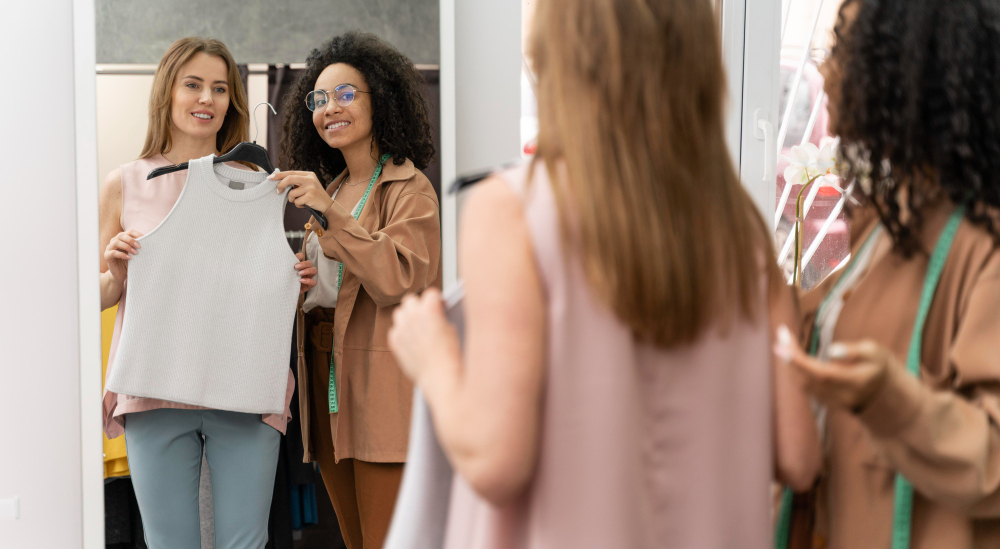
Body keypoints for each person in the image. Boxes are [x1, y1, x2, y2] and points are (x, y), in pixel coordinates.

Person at [386, 0, 821, 547]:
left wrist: (434, 357)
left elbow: (495, 460)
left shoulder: (512, 211)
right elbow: (799, 456)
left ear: (557, 57)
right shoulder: (743, 232)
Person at [776, 0, 1000, 547]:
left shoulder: (984, 245)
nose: (825, 73)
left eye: (843, 50)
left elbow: (992, 457)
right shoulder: (869, 216)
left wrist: (891, 400)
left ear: (906, 70)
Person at [98, 37, 317, 548]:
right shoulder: (126, 182)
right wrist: (115, 270)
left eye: (220, 88)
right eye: (193, 84)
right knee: (169, 543)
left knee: (244, 542)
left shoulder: (261, 184)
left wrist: (297, 285)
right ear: (167, 94)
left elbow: (262, 286)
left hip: (245, 386)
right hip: (153, 384)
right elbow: (105, 295)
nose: (207, 98)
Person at [272, 31, 441, 549]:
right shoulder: (336, 186)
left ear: (380, 100)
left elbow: (398, 278)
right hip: (326, 382)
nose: (329, 109)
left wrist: (330, 213)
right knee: (351, 538)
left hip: (380, 383)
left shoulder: (408, 188)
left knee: (387, 541)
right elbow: (334, 289)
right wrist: (302, 284)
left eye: (346, 94)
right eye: (318, 99)